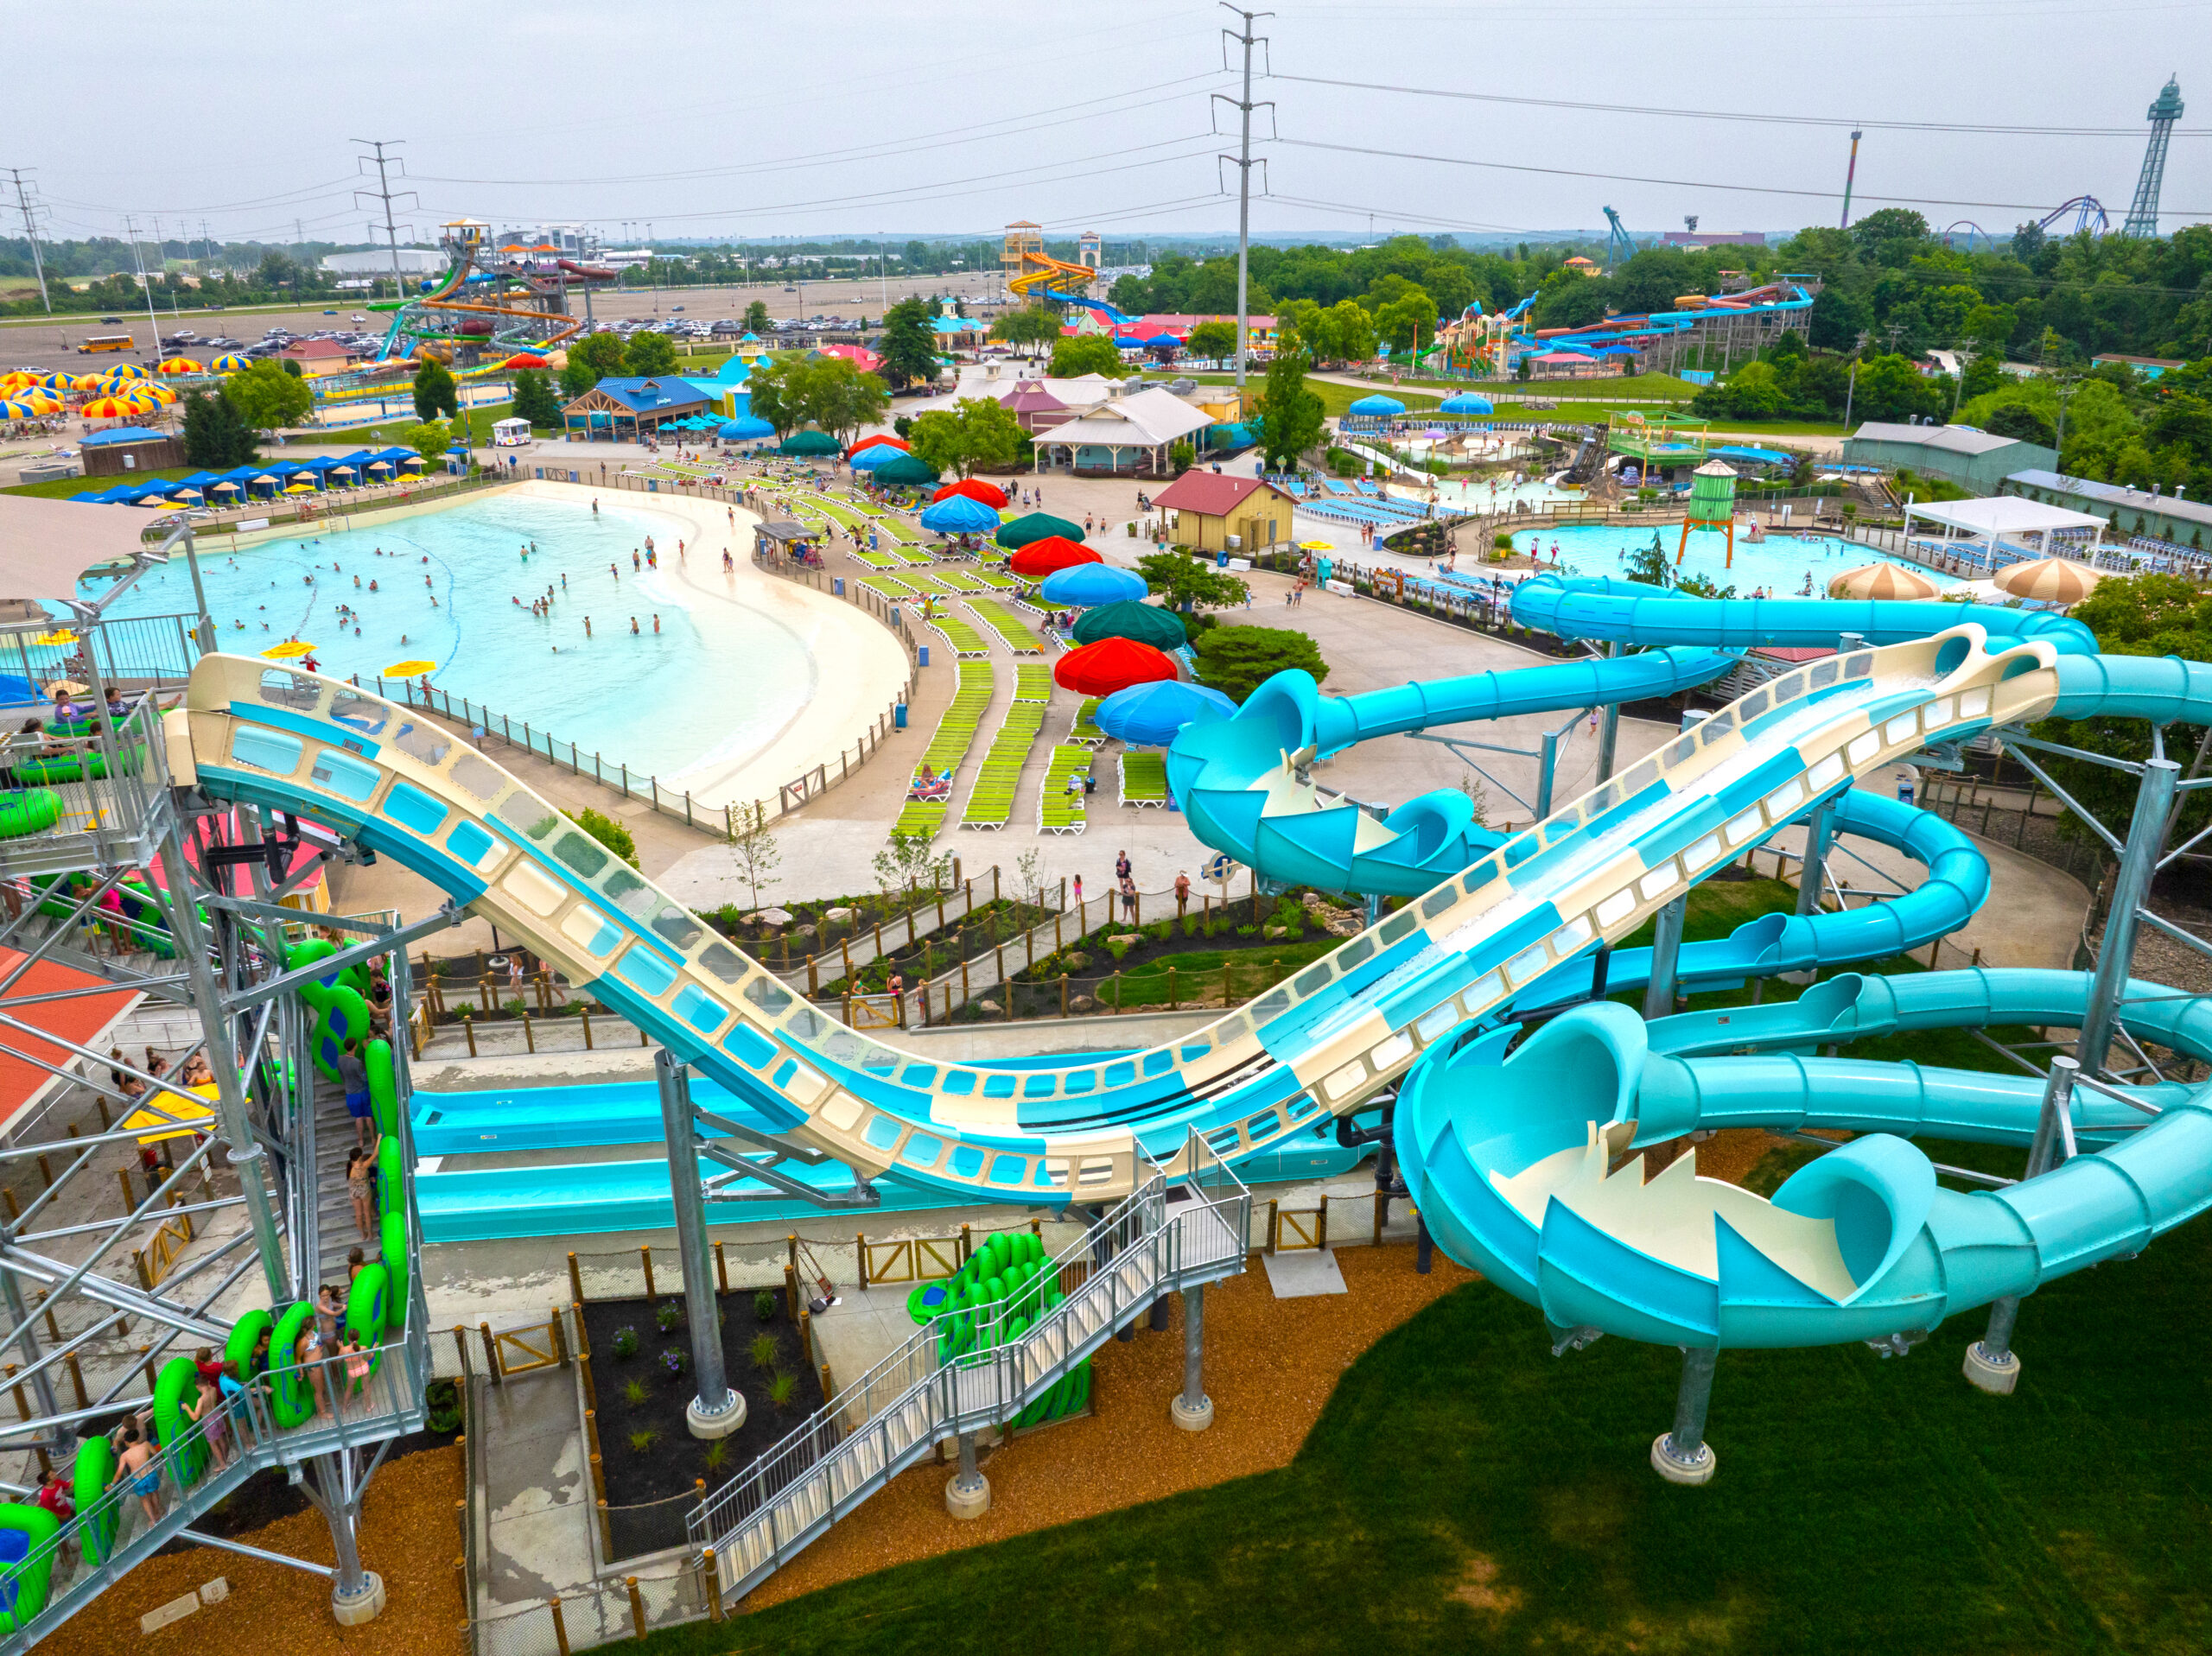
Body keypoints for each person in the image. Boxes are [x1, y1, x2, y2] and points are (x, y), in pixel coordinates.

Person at [108, 1424, 162, 1522]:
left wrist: (111, 1485)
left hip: (137, 1479)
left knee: (144, 1499)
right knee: (154, 1493)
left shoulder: (124, 1455)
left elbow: (119, 1473)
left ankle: (152, 1519)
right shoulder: (146, 1444)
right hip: (149, 1473)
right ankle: (158, 1512)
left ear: (126, 1442)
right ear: (137, 1437)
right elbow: (156, 1453)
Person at [337, 1037, 372, 1148]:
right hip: (362, 1092)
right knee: (368, 1116)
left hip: (350, 1094)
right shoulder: (357, 1063)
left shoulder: (339, 1060)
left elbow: (341, 1075)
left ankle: (360, 1140)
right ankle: (373, 1138)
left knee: (358, 1117)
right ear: (355, 1046)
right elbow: (364, 1078)